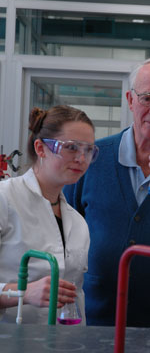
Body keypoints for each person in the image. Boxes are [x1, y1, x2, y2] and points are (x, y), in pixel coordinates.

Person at [64, 58, 150, 327]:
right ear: (130, 99)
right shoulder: (91, 158)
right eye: (147, 97)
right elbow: (62, 229)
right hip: (90, 322)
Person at [0, 105, 98, 324]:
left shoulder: (77, 222)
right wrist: (22, 293)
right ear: (40, 148)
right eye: (71, 147)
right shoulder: (5, 199)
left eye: (88, 150)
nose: (81, 159)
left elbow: (75, 298)